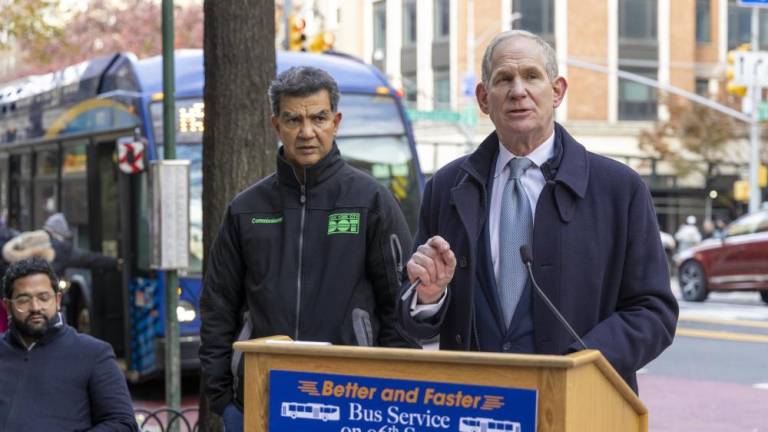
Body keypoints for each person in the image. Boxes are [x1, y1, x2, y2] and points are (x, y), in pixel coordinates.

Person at [396, 30, 678, 393]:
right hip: (473, 403)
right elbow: (413, 318)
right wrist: (428, 296)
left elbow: (653, 311)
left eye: (531, 76)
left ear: (557, 91)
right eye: (503, 79)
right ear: (483, 98)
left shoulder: (619, 189)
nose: (518, 91)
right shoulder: (447, 187)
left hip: (579, 401)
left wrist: (582, 363)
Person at [199, 66, 414, 431]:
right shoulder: (246, 209)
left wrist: (387, 390)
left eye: (318, 117)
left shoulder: (372, 201)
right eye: (293, 119)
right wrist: (224, 399)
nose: (307, 132)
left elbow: (400, 304)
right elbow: (218, 305)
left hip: (353, 399)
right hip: (260, 397)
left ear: (336, 121)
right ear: (276, 125)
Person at [0, 256, 137, 431]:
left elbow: (122, 423)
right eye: (24, 300)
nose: (35, 307)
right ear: (8, 306)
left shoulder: (93, 353)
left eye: (43, 297)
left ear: (57, 300)